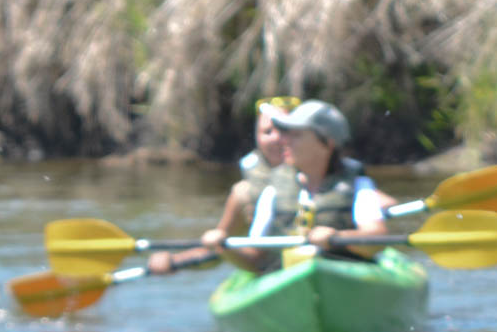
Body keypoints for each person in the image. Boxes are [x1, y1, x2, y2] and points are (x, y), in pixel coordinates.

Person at [210, 100, 397, 272]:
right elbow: (256, 258)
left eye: (296, 135)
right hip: (287, 277)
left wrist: (337, 237)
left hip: (343, 273)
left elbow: (376, 238)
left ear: (327, 143)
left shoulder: (359, 186)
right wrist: (224, 247)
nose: (285, 141)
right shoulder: (272, 189)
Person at [146, 97, 300, 277]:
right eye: (268, 132)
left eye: (285, 130)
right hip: (273, 272)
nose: (277, 139)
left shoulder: (324, 178)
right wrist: (174, 262)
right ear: (257, 138)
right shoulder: (244, 193)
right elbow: (215, 248)